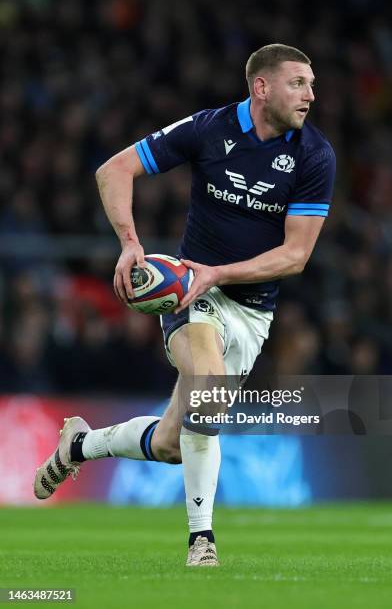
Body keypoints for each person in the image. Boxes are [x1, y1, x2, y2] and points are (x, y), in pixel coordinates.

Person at [34, 44, 335, 567]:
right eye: (298, 83)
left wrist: (221, 272)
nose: (311, 94)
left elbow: (297, 254)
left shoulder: (314, 155)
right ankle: (202, 541)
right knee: (211, 395)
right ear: (261, 87)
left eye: (311, 84)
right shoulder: (207, 129)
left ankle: (80, 444)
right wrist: (130, 243)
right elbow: (114, 170)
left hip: (251, 310)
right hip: (191, 295)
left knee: (175, 442)